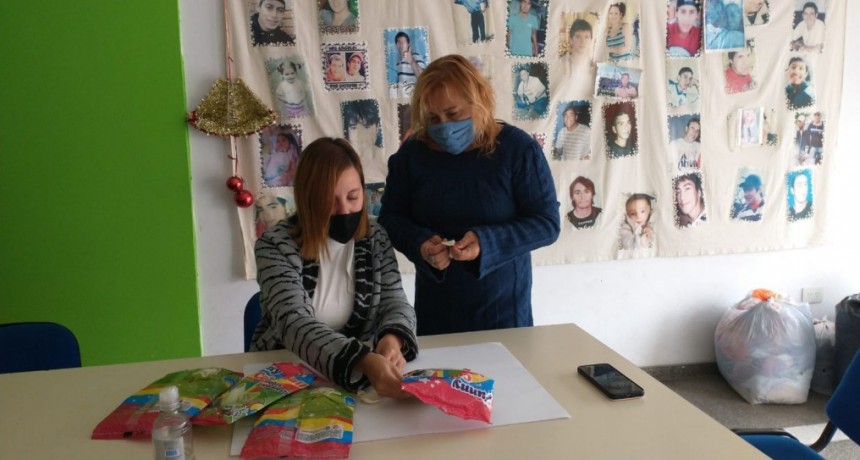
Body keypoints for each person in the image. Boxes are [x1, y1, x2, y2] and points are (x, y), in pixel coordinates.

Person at [378, 54, 560, 336]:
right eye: (433, 118)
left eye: (453, 114)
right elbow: (390, 218)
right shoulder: (412, 156)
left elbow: (547, 224)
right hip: (435, 314)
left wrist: (486, 243)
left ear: (480, 102)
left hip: (503, 314)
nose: (443, 126)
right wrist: (421, 244)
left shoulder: (517, 150)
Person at [251, 137, 418, 398]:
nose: (345, 210)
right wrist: (363, 359)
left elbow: (395, 302)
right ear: (308, 200)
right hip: (285, 375)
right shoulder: (274, 246)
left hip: (358, 380)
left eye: (353, 197)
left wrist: (391, 340)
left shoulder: (375, 236)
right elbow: (294, 323)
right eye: (330, 200)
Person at [342, 99, 384, 166]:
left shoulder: (387, 159)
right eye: (353, 127)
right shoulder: (341, 160)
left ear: (377, 127)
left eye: (367, 127)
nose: (360, 135)